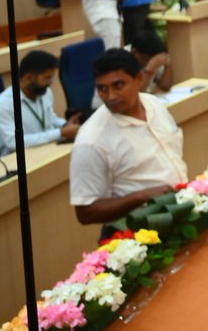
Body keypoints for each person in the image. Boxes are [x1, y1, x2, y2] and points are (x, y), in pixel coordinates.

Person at [70, 49, 188, 228]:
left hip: (180, 211)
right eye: (102, 88)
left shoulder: (154, 104)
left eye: (118, 85)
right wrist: (140, 197)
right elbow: (85, 211)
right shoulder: (91, 141)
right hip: (137, 234)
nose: (110, 96)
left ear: (139, 79)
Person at [0, 50, 79, 155]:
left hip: (47, 149)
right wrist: (60, 133)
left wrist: (64, 125)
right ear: (29, 77)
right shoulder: (1, 106)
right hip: (19, 159)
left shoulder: (45, 92)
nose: (51, 83)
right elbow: (13, 142)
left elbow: (51, 119)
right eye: (48, 78)